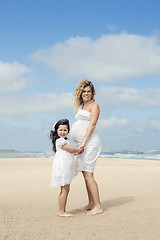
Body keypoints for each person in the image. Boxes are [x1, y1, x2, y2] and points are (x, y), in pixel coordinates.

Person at [70, 79, 103, 215]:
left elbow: (92, 125)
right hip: (82, 144)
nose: (86, 93)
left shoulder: (94, 106)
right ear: (80, 92)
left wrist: (83, 142)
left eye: (89, 91)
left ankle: (98, 206)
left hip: (90, 143)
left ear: (92, 93)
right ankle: (91, 203)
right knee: (85, 174)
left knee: (88, 174)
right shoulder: (81, 106)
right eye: (84, 91)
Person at [50, 119, 83, 217]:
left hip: (65, 166)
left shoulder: (65, 140)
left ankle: (62, 210)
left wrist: (76, 152)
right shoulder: (60, 141)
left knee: (66, 189)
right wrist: (79, 149)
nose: (63, 132)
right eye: (60, 130)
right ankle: (61, 211)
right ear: (56, 130)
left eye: (65, 130)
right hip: (62, 167)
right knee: (64, 189)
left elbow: (68, 152)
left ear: (68, 131)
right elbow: (70, 149)